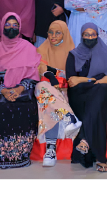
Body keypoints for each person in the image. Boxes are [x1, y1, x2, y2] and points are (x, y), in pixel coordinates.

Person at [0, 12, 40, 170]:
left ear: (20, 28)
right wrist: (3, 91)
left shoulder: (28, 48)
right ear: (2, 26)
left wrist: (19, 88)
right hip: (0, 91)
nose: (11, 28)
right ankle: (3, 157)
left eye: (15, 25)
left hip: (23, 90)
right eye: (7, 25)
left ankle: (22, 156)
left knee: (28, 109)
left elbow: (33, 76)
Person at [65, 22, 107, 172]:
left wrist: (83, 79)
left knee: (102, 91)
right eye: (86, 35)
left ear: (97, 35)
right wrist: (95, 80)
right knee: (98, 109)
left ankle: (85, 139)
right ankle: (100, 158)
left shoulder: (105, 52)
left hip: (102, 91)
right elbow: (71, 81)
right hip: (80, 93)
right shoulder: (73, 55)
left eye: (93, 34)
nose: (90, 37)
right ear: (82, 36)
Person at [35, 19, 81, 166]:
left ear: (64, 34)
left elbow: (74, 75)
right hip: (47, 89)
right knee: (42, 87)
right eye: (51, 32)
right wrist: (52, 75)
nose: (53, 36)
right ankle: (68, 117)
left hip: (65, 91)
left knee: (48, 101)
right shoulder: (42, 49)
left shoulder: (73, 52)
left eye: (58, 33)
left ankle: (51, 149)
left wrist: (54, 73)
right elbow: (41, 68)